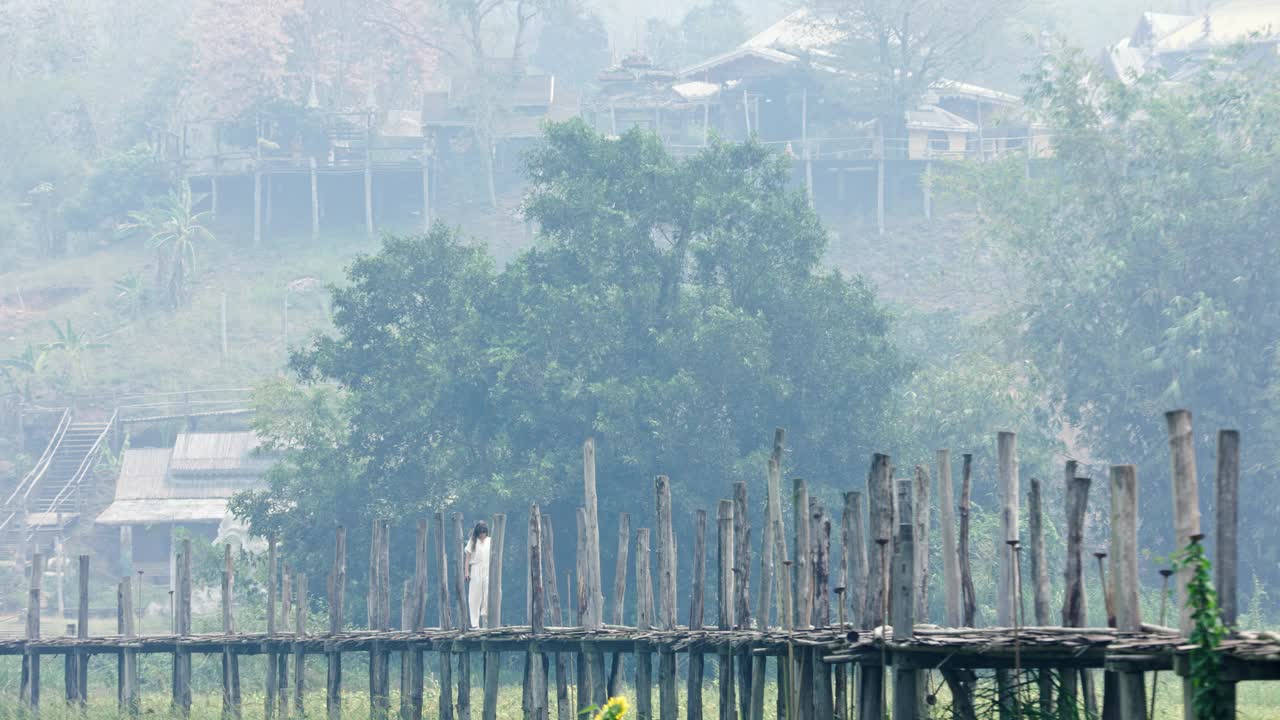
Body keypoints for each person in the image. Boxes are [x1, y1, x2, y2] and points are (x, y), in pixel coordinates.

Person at [464, 520, 491, 628]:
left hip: (488, 569)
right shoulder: (473, 541)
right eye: (480, 532)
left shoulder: (490, 541)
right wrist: (466, 572)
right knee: (474, 597)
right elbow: (467, 558)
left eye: (484, 532)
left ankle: (486, 621)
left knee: (487, 595)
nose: (482, 534)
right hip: (475, 570)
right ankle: (475, 624)